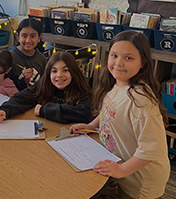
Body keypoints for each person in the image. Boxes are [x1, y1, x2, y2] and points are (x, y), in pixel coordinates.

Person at [70, 31, 170, 198]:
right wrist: (92, 125)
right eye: (114, 55)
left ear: (143, 63)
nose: (118, 63)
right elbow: (109, 110)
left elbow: (152, 149)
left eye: (128, 58)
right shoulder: (118, 84)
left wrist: (122, 169)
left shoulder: (141, 100)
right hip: (124, 170)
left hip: (140, 181)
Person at [0, 51, 92, 124]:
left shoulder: (81, 89)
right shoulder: (44, 84)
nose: (59, 75)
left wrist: (43, 110)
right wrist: (5, 110)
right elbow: (23, 97)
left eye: (65, 70)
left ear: (74, 72)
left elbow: (84, 114)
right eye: (54, 71)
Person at [8, 17, 47, 90]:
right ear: (18, 36)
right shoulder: (10, 56)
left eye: (33, 36)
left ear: (39, 38)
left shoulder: (41, 59)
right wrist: (23, 81)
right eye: (24, 36)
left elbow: (44, 84)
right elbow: (4, 85)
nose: (28, 40)